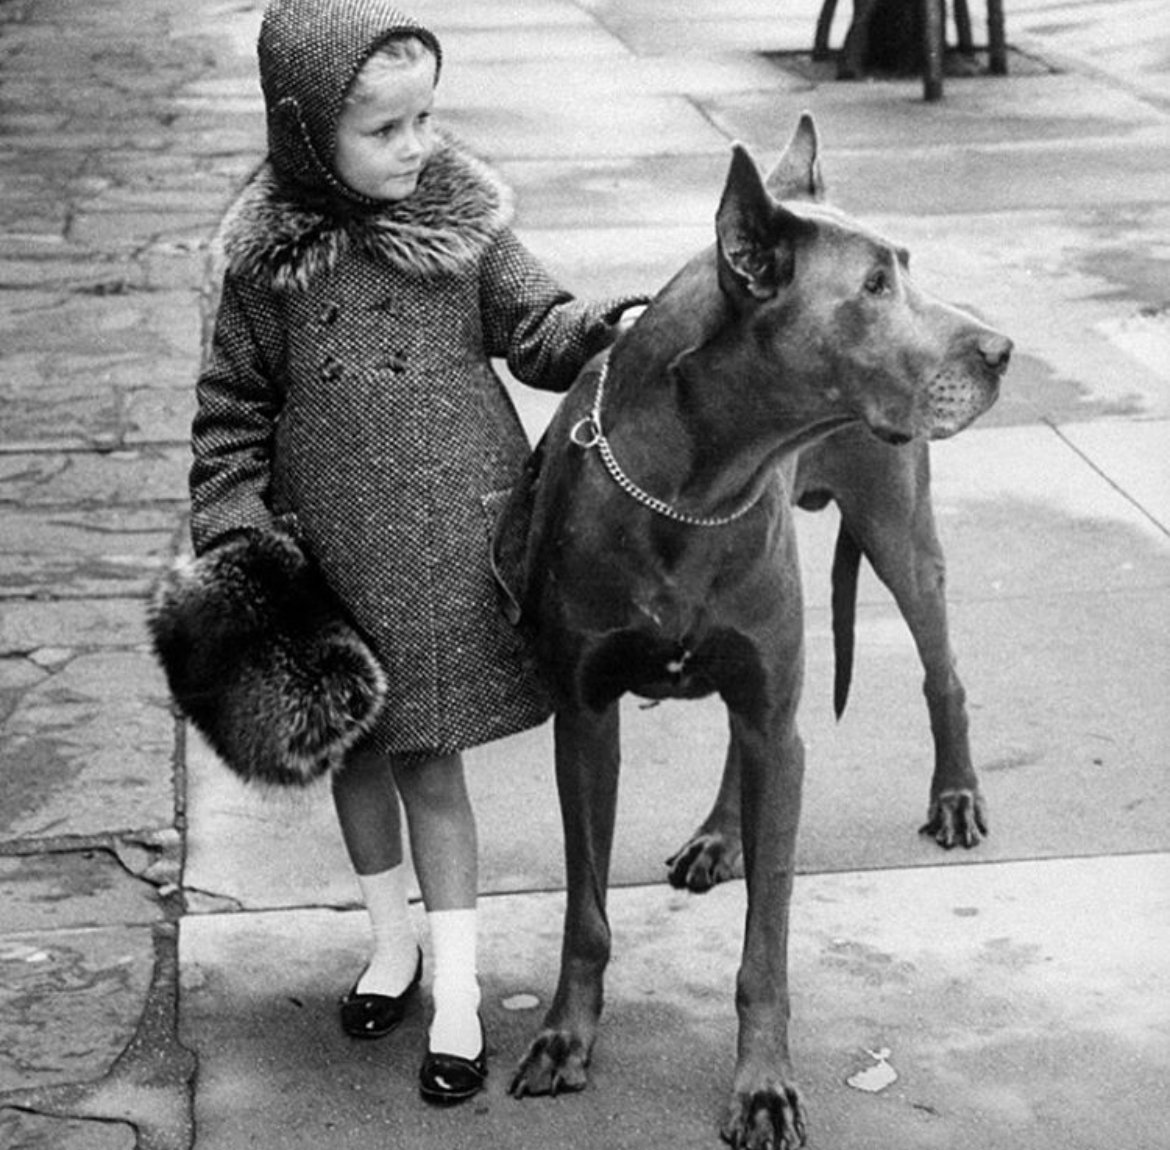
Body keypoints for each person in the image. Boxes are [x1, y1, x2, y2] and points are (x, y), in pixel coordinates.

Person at [189, 0, 643, 1106]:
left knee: (430, 760)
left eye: (425, 118)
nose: (416, 145)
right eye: (385, 129)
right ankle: (390, 939)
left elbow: (533, 327)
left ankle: (458, 991)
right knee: (358, 749)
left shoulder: (464, 231)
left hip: (449, 548)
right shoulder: (268, 272)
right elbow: (231, 414)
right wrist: (237, 530)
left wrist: (592, 325)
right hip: (324, 556)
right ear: (304, 134)